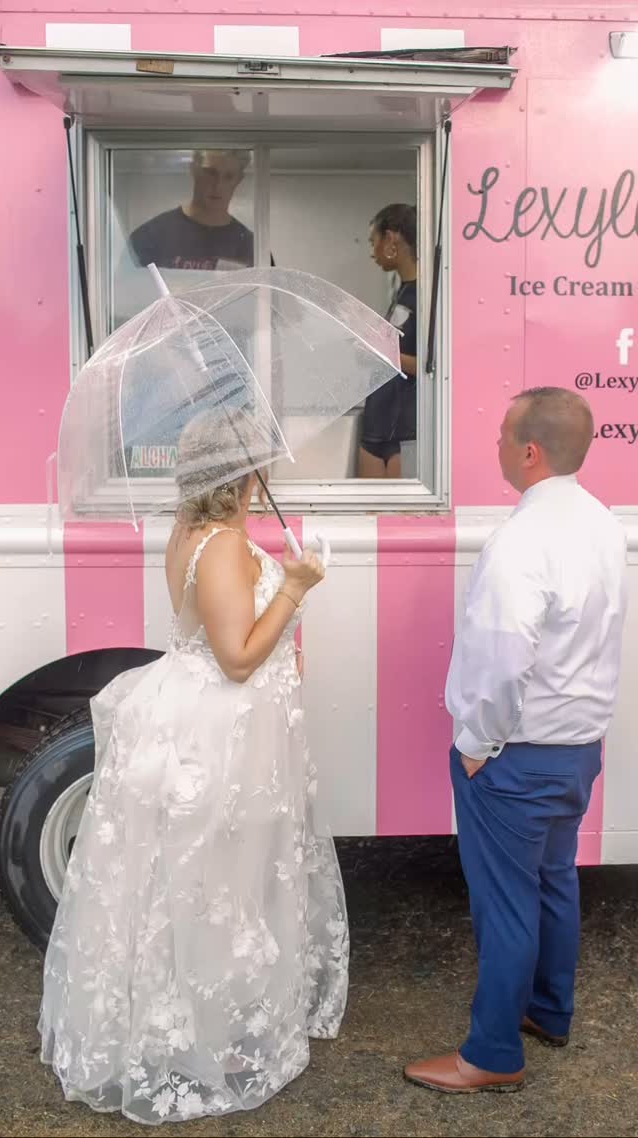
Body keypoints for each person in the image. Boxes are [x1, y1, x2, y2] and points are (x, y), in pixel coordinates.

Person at [39, 414, 349, 1124]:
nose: (266, 478)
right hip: (219, 737)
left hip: (211, 721)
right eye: (259, 466)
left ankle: (200, 1017)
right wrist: (296, 588)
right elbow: (238, 659)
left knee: (201, 881)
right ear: (239, 476)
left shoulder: (191, 533)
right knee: (219, 885)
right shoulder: (222, 545)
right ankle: (210, 1035)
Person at [405, 387, 627, 1094]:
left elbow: (502, 657)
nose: (495, 446)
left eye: (502, 436)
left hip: (516, 753)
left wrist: (478, 741)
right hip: (577, 747)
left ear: (529, 451)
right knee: (555, 881)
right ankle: (548, 1010)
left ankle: (492, 1055)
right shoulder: (600, 522)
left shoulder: (521, 540)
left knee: (504, 902)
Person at [358, 204, 418, 479]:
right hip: (377, 423)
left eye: (374, 242)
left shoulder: (426, 296)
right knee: (368, 518)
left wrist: (379, 349)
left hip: (404, 430)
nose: (372, 252)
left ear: (392, 238)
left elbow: (432, 368)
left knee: (397, 520)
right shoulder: (401, 292)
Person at [129, 150, 257, 271]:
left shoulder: (251, 247)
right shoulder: (150, 237)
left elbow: (269, 292)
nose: (218, 185)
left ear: (239, 180)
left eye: (228, 176)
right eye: (211, 173)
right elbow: (125, 289)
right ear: (194, 170)